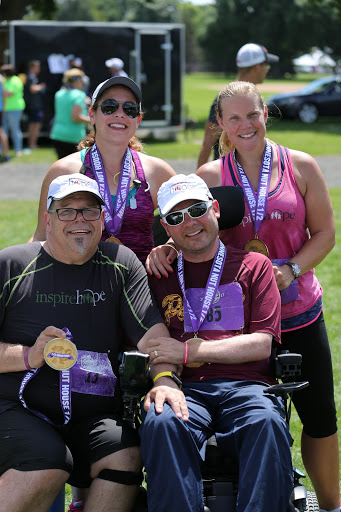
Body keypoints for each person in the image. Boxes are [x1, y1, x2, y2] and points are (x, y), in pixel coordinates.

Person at [146, 81, 340, 512]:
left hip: (296, 310)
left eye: (252, 114)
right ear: (221, 126)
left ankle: (330, 506)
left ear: (265, 113)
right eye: (233, 118)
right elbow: (188, 227)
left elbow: (325, 233)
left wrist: (289, 270)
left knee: (319, 416)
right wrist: (164, 248)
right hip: (226, 319)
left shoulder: (301, 166)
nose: (245, 124)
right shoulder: (210, 177)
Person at [0, 173, 170, 512]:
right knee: (47, 461)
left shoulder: (120, 264)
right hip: (17, 409)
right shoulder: (13, 264)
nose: (80, 220)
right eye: (67, 211)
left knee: (125, 455)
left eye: (90, 211)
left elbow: (153, 335)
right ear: (47, 220)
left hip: (93, 413)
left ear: (102, 219)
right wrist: (30, 355)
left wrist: (165, 380)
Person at [139, 173, 295, 512]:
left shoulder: (255, 266)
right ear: (167, 228)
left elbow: (262, 344)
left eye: (197, 210)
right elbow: (152, 343)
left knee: (266, 421)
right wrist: (165, 378)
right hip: (186, 388)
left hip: (248, 385)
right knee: (161, 420)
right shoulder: (156, 275)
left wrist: (190, 350)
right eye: (176, 218)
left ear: (216, 209)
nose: (190, 223)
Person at [31, 75, 176, 266]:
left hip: (139, 289)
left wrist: (170, 247)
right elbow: (41, 236)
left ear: (138, 119)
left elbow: (187, 226)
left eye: (130, 109)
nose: (120, 114)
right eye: (109, 107)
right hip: (78, 289)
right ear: (92, 114)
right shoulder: (64, 171)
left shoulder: (157, 171)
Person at [197, 42, 279, 168]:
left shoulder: (246, 97)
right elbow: (207, 143)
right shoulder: (226, 100)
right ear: (257, 67)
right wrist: (199, 183)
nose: (267, 69)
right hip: (228, 179)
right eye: (266, 65)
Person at [50, 68, 90, 159]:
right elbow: (76, 117)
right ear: (78, 80)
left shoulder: (59, 94)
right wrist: (91, 120)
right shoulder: (79, 95)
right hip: (73, 136)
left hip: (57, 134)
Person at [0, 64, 25, 157]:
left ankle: (18, 150)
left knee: (15, 129)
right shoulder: (4, 80)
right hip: (4, 109)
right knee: (3, 130)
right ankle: (3, 150)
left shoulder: (15, 80)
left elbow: (9, 93)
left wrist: (1, 92)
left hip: (15, 108)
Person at [24, 60, 46, 151]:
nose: (39, 69)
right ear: (32, 67)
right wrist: (41, 86)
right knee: (35, 124)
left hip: (34, 105)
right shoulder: (31, 76)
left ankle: (32, 144)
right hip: (34, 106)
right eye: (37, 67)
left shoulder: (31, 77)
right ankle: (32, 144)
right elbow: (33, 89)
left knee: (35, 124)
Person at [0, 72, 10, 163]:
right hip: (0, 108)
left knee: (1, 132)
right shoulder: (2, 78)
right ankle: (6, 154)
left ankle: (6, 154)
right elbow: (4, 95)